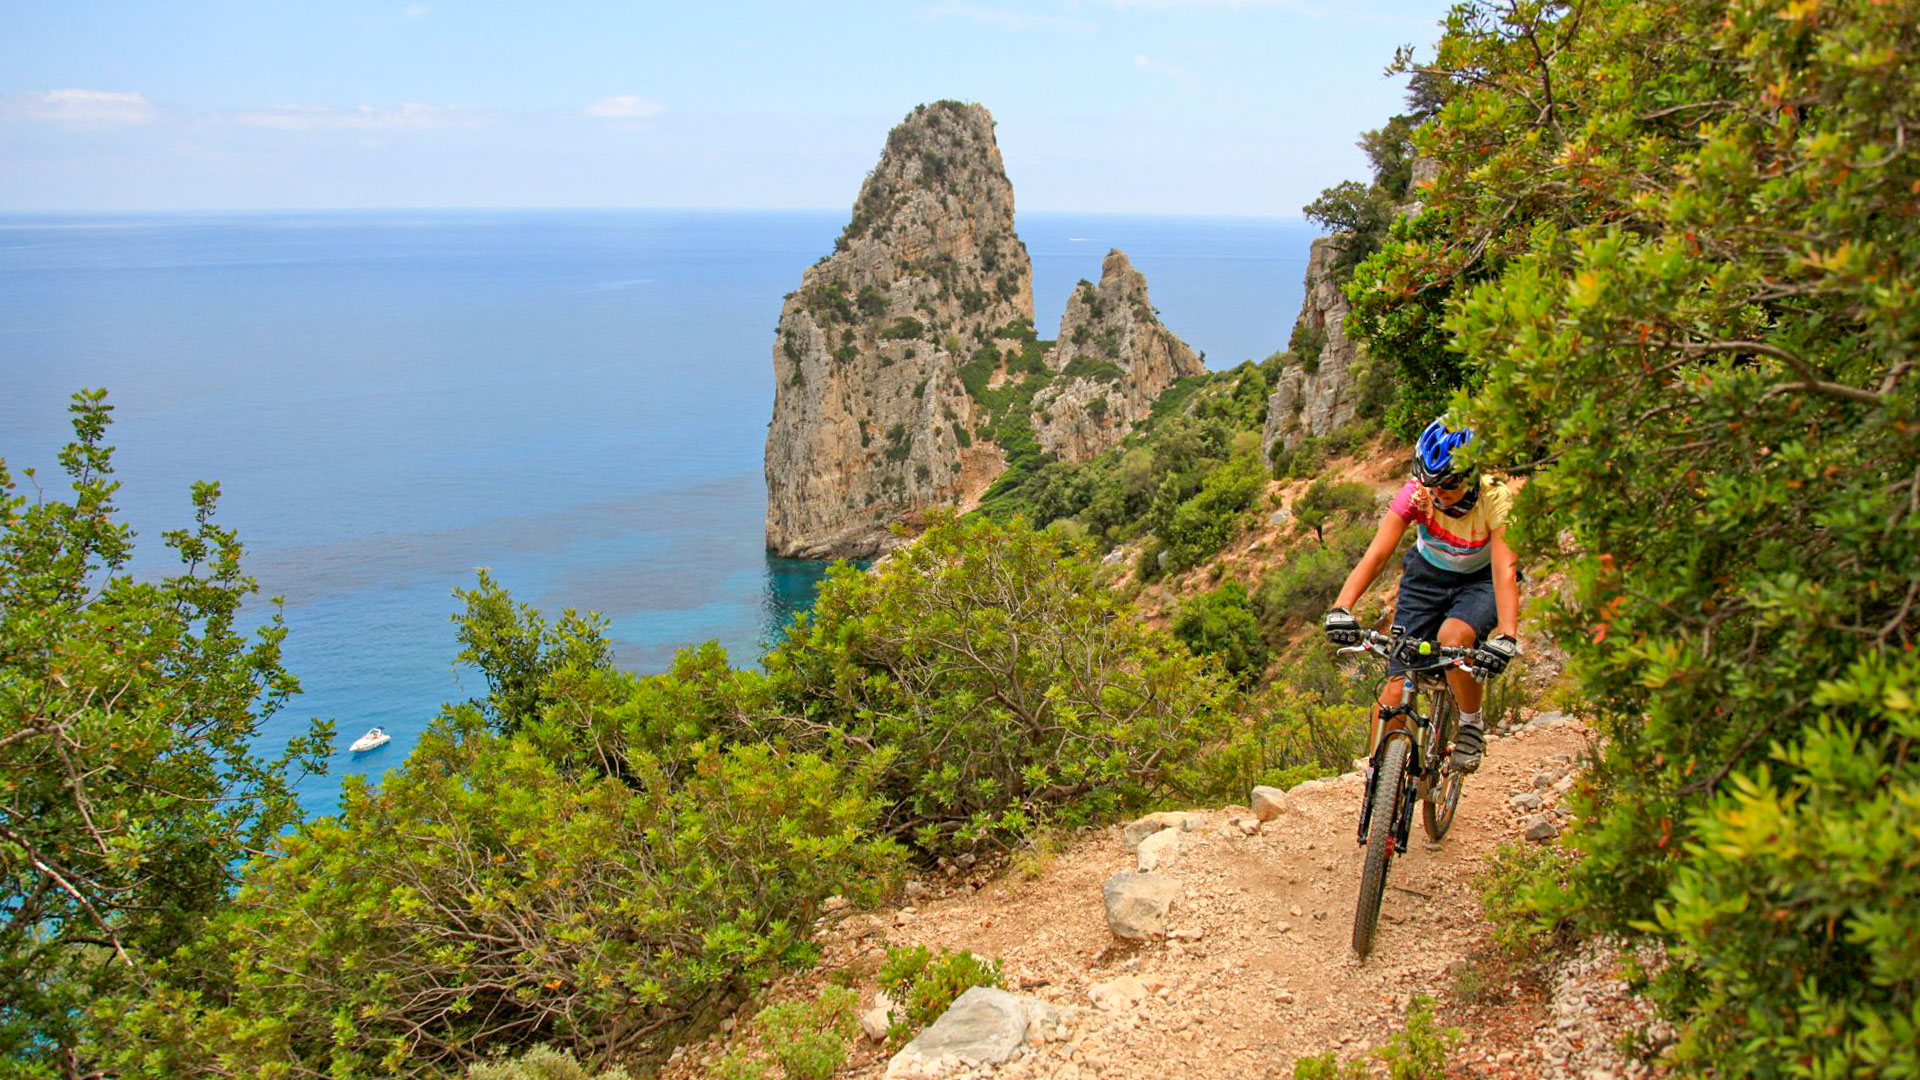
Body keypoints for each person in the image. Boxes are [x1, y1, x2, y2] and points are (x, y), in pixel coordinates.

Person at [1321, 418, 1520, 772]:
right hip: (1426, 578)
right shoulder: (1417, 493)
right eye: (1431, 483)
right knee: (1396, 691)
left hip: (1481, 580)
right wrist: (1341, 607)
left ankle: (1471, 723)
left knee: (1453, 639)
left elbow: (1504, 570)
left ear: (1472, 474)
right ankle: (1379, 779)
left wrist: (1506, 635)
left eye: (1449, 485)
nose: (1438, 493)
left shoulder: (1495, 499)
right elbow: (1377, 556)